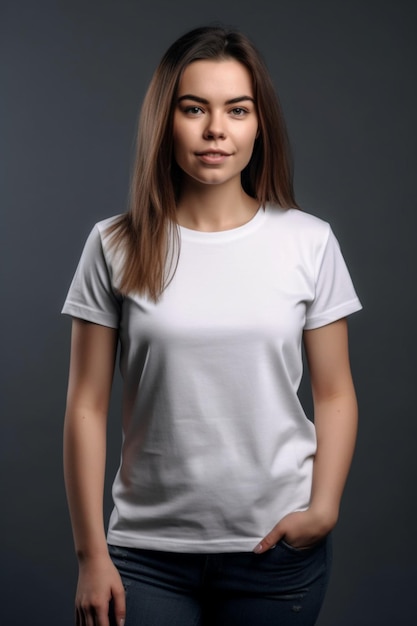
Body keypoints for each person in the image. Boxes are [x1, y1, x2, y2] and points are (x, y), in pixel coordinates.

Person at [62, 25, 362, 626]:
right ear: (164, 120)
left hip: (276, 550)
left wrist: (324, 508)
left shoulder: (309, 242)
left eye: (237, 110)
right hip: (145, 556)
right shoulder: (115, 244)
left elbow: (334, 392)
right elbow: (86, 406)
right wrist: (92, 553)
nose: (215, 130)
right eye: (193, 108)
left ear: (259, 124)